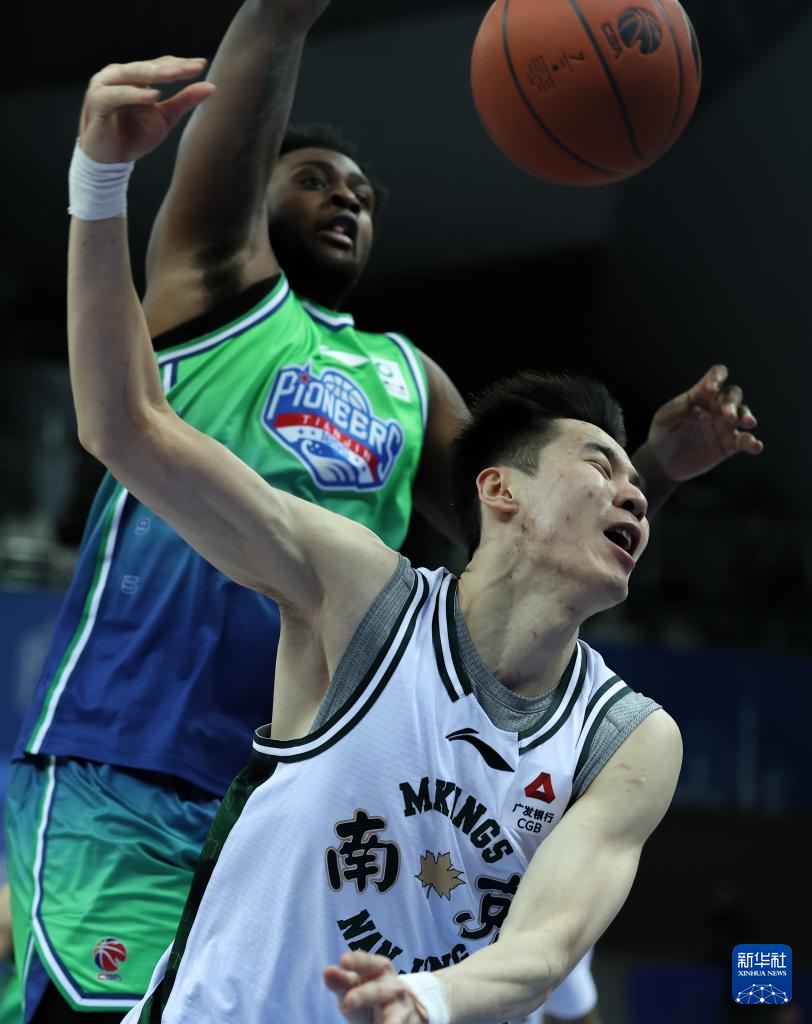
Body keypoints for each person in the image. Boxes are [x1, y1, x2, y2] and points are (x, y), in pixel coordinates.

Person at [5, 7, 762, 1024]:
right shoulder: (218, 283)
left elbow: (524, 548)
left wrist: (651, 469)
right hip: (129, 747)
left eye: (361, 194)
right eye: (314, 178)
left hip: (277, 769)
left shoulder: (408, 380)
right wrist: (117, 162)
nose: (344, 198)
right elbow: (124, 421)